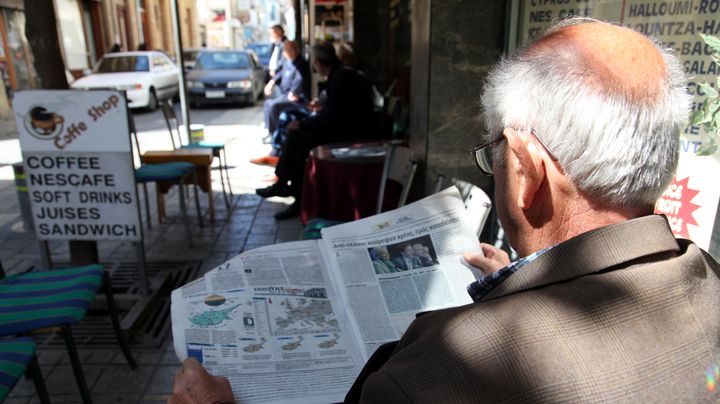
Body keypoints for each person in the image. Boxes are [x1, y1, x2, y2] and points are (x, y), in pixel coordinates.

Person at [169, 18, 720, 403]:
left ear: (527, 172)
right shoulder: (711, 282)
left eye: (495, 158)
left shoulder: (441, 373)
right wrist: (517, 278)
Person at [255, 42, 376, 220]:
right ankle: (287, 187)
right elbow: (335, 111)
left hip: (349, 133)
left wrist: (303, 124)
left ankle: (287, 187)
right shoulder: (340, 75)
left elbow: (333, 118)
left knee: (297, 138)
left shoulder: (340, 77)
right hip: (347, 127)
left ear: (319, 62)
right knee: (297, 140)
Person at [251, 40, 312, 166]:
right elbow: (278, 75)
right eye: (286, 50)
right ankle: (272, 135)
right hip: (285, 94)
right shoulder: (287, 62)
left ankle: (276, 147)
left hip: (297, 98)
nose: (289, 52)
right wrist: (271, 83)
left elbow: (301, 81)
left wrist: (295, 92)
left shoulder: (302, 64)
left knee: (275, 107)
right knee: (268, 104)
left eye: (291, 49)